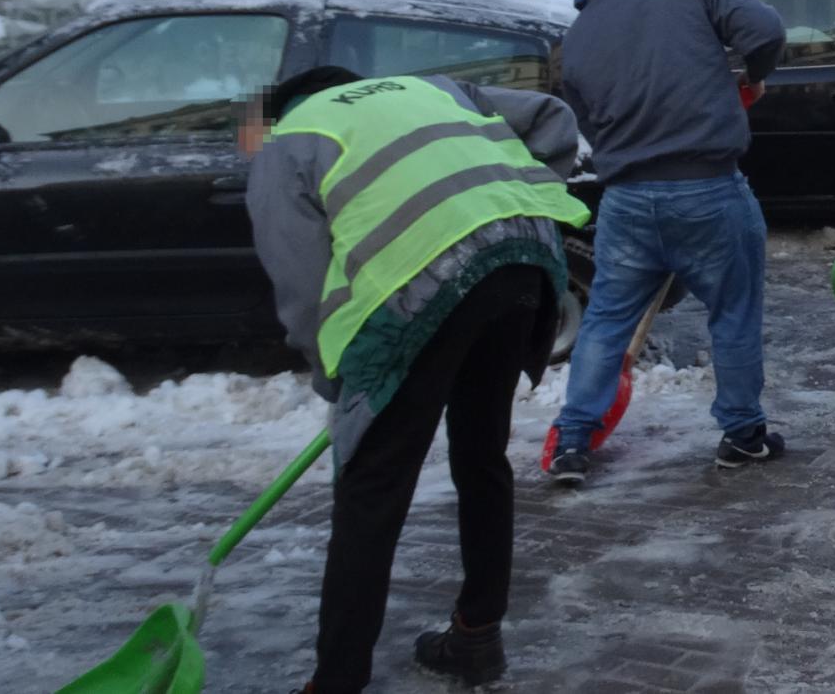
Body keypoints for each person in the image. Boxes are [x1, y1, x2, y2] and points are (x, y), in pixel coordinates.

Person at [244, 66, 590, 693]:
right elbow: (551, 118)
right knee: (481, 455)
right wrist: (521, 201)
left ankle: (337, 681)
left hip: (421, 283)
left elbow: (303, 288)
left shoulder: (288, 140)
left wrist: (338, 377)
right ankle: (477, 636)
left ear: (281, 108)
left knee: (371, 488)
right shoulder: (432, 88)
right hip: (520, 256)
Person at [547, 0, 789, 485]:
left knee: (606, 322)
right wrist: (752, 75)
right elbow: (766, 30)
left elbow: (585, 120)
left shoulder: (576, 38)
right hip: (708, 187)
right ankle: (742, 435)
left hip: (628, 200)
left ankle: (572, 443)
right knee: (732, 314)